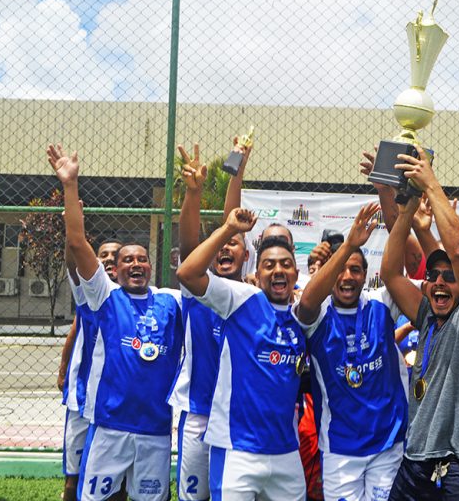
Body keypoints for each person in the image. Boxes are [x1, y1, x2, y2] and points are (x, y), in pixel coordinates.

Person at [47, 144, 184, 501]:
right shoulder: (105, 296)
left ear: (151, 266)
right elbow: (77, 243)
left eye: (141, 259)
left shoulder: (171, 300)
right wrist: (70, 185)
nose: (135, 264)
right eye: (127, 261)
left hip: (155, 429)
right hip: (110, 426)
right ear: (115, 269)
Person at [380, 145, 459, 500]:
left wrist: (430, 182)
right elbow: (389, 272)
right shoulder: (427, 315)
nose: (439, 282)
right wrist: (407, 212)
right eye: (433, 275)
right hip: (416, 459)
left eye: (450, 277)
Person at [176, 209, 306, 500]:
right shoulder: (240, 299)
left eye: (285, 264)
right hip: (237, 450)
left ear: (296, 274)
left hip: (285, 451)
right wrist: (228, 228)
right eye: (269, 265)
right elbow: (187, 273)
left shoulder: (304, 313)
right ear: (256, 275)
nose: (278, 270)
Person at [294, 203, 409, 501]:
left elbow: (401, 266)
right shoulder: (318, 316)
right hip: (340, 448)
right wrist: (349, 246)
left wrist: (396, 202)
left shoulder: (382, 304)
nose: (347, 277)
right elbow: (306, 304)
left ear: (365, 275)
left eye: (355, 270)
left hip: (388, 442)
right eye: (341, 268)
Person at [166, 140, 251, 501]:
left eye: (235, 245)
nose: (227, 248)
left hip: (239, 416)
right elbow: (191, 245)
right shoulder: (198, 289)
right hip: (199, 412)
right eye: (221, 246)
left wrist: (239, 168)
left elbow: (235, 223)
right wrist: (194, 194)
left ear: (247, 255)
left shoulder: (253, 298)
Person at [59, 239, 123, 501]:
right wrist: (72, 232)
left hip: (116, 402)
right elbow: (73, 260)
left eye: (115, 255)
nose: (108, 259)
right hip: (83, 396)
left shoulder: (135, 297)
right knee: (73, 478)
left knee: (117, 479)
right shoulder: (88, 292)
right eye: (103, 254)